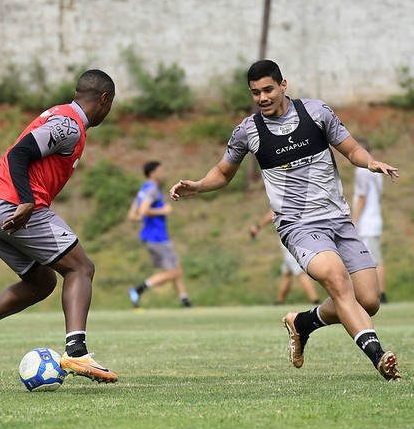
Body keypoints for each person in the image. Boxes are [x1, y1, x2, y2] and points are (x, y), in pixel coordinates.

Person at [170, 59, 400, 381]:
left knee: (369, 300)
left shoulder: (317, 112)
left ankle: (302, 323)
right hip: (299, 227)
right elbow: (223, 172)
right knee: (336, 279)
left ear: (283, 85)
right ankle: (378, 356)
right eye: (255, 93)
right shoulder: (248, 131)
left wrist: (371, 162)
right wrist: (197, 186)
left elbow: (350, 150)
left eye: (267, 89)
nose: (262, 98)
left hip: (339, 220)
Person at [0, 69, 118, 383]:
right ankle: (76, 351)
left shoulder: (59, 115)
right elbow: (19, 153)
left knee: (41, 282)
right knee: (81, 268)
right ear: (104, 99)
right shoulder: (69, 124)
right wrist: (27, 201)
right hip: (13, 206)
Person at [127, 161, 192, 308]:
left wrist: (146, 218)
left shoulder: (144, 189)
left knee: (177, 268)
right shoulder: (152, 189)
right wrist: (163, 211)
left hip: (154, 235)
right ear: (152, 173)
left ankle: (185, 302)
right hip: (156, 237)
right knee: (171, 273)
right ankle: (137, 290)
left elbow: (133, 216)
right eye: (160, 171)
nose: (163, 174)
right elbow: (143, 211)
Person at [250, 208, 320, 305]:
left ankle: (315, 301)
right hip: (296, 235)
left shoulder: (284, 196)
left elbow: (273, 212)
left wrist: (258, 227)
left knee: (300, 272)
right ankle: (279, 301)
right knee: (286, 273)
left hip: (291, 238)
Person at [351, 137, 387, 304]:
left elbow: (362, 197)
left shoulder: (362, 171)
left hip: (367, 223)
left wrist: (354, 219)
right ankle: (376, 293)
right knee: (375, 259)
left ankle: (381, 294)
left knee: (374, 260)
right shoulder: (376, 168)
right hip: (374, 220)